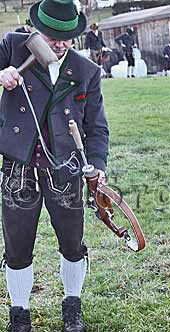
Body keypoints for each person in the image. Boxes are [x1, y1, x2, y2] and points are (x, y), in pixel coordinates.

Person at [0, 0, 109, 331]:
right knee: (17, 246)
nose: (60, 45)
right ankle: (19, 312)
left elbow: (97, 127)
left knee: (72, 243)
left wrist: (98, 164)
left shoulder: (86, 71)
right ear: (36, 30)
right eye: (52, 37)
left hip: (65, 168)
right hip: (19, 166)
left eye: (67, 38)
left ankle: (72, 304)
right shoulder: (12, 47)